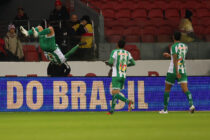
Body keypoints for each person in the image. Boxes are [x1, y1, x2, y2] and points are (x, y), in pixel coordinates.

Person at [159, 31, 195, 114]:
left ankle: (165, 110)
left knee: (167, 89)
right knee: (185, 89)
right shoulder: (185, 46)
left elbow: (175, 60)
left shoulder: (173, 46)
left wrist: (177, 71)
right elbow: (180, 57)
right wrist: (170, 55)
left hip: (173, 70)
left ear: (173, 37)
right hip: (183, 70)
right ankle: (191, 105)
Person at [20, 23, 85, 66]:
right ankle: (27, 33)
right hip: (44, 47)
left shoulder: (62, 60)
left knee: (51, 29)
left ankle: (33, 33)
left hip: (51, 47)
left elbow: (70, 53)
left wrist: (77, 45)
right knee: (40, 27)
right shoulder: (52, 61)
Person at [105, 39, 136, 115]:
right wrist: (124, 65)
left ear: (117, 45)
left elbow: (111, 62)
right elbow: (133, 63)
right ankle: (112, 110)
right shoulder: (127, 53)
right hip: (123, 76)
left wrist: (108, 63)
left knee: (114, 93)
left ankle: (128, 102)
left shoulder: (114, 52)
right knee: (115, 93)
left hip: (116, 75)